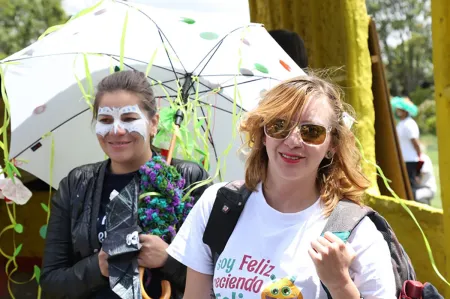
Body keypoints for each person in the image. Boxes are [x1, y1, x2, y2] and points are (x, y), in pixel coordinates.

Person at [167, 76, 397, 298]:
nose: (293, 140)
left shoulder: (356, 232)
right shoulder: (218, 204)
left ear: (332, 145)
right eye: (279, 125)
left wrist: (340, 284)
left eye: (311, 131)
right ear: (263, 134)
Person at [40, 70, 211, 298]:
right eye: (105, 120)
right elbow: (51, 283)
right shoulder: (76, 184)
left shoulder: (188, 179)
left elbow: (219, 277)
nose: (116, 130)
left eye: (129, 119)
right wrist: (98, 267)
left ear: (153, 123)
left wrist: (167, 259)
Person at [392, 96, 421, 199]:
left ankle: (415, 204)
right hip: (404, 159)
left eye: (400, 110)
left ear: (405, 111)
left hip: (410, 159)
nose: (398, 111)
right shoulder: (401, 123)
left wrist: (419, 154)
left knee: (411, 185)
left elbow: (415, 142)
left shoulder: (410, 124)